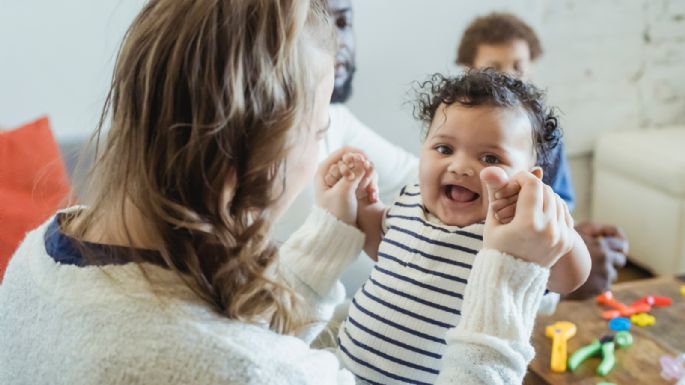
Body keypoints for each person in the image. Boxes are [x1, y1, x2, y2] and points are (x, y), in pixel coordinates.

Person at [0, 1, 576, 384]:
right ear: (254, 143)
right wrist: (507, 280)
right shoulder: (245, 369)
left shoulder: (34, 261)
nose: (328, 137)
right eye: (322, 118)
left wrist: (331, 235)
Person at [332, 70, 591, 384]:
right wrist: (362, 199)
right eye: (444, 149)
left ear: (529, 179)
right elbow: (379, 244)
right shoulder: (411, 199)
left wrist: (553, 222)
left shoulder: (511, 238)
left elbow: (570, 279)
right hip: (342, 371)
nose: (460, 166)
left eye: (489, 157)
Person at [456, 12, 629, 299]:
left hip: (535, 242)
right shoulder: (458, 130)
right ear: (467, 71)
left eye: (518, 68)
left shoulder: (547, 135)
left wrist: (568, 230)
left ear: (531, 69)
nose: (508, 78)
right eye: (493, 68)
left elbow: (562, 199)